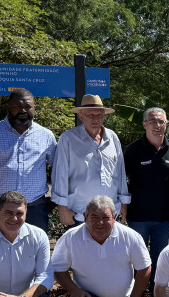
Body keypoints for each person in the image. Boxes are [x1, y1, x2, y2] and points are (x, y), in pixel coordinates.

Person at [51, 196, 151, 297]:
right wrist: (73, 290)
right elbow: (58, 268)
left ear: (115, 217)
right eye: (94, 217)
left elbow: (145, 268)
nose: (100, 223)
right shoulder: (71, 237)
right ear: (85, 216)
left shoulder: (129, 236)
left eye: (106, 217)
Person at [0, 89, 57, 231]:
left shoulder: (46, 136)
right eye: (17, 106)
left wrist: (54, 203)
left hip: (35, 209)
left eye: (28, 106)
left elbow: (60, 170)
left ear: (34, 108)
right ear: (8, 107)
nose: (23, 110)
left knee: (34, 246)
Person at [123, 107, 169, 289]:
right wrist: (122, 208)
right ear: (144, 124)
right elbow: (120, 182)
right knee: (137, 259)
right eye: (153, 121)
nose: (157, 125)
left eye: (161, 122)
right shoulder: (132, 151)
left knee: (160, 259)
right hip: (138, 217)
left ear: (166, 124)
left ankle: (156, 295)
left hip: (164, 217)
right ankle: (135, 296)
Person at [51, 94, 130, 226]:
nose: (95, 119)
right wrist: (62, 208)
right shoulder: (68, 138)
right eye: (90, 115)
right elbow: (60, 175)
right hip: (80, 213)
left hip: (110, 213)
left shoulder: (112, 137)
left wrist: (124, 203)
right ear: (81, 116)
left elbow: (120, 172)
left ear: (104, 117)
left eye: (99, 115)